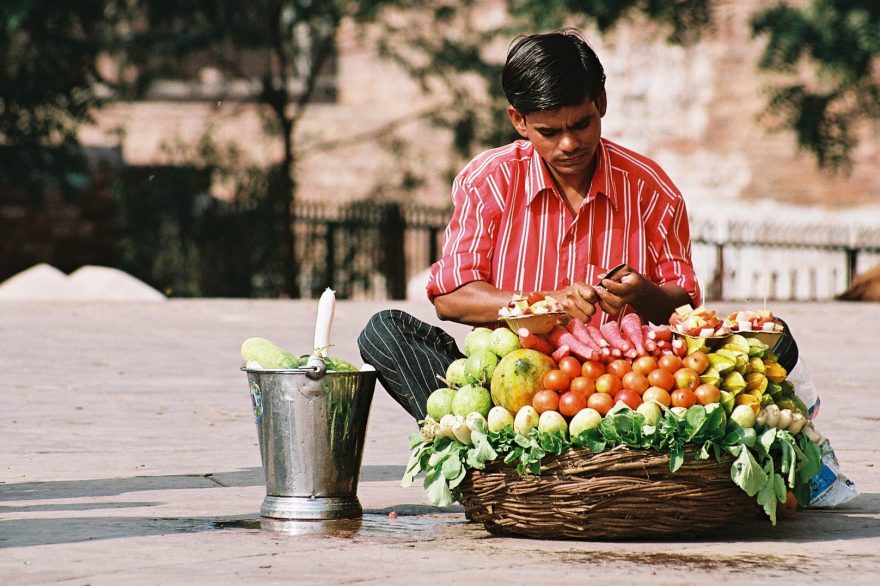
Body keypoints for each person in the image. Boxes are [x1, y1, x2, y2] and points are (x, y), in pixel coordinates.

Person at [358, 29, 704, 421]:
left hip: (625, 389)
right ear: (519, 120)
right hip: (508, 393)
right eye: (549, 132)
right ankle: (487, 444)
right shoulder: (489, 180)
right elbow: (450, 296)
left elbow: (686, 303)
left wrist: (644, 294)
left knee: (774, 342)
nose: (569, 144)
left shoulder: (650, 188)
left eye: (581, 125)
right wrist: (546, 304)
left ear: (602, 103)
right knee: (383, 332)